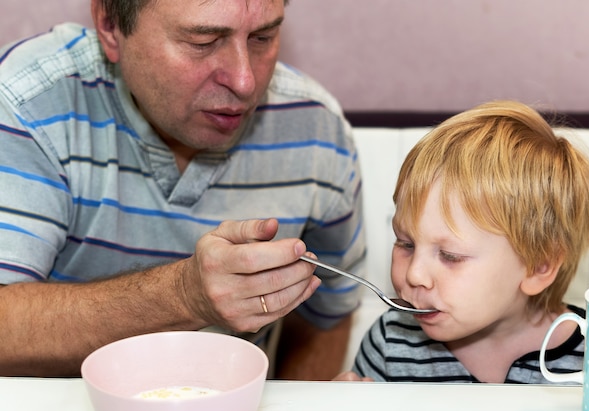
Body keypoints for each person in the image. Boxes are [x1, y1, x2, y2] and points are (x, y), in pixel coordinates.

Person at [0, 0, 365, 378]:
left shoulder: (316, 128)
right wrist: (182, 296)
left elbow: (327, 312)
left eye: (263, 36)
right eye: (203, 41)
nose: (245, 81)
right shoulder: (23, 103)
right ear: (110, 25)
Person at [335, 100, 589, 383]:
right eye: (406, 244)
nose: (414, 274)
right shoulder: (391, 343)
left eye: (450, 255)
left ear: (539, 266)